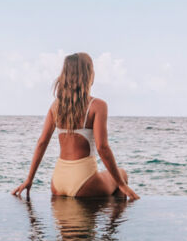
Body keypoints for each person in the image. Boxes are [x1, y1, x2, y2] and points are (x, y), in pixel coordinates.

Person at [12, 52, 139, 200]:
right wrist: (122, 184)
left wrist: (29, 179)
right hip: (84, 181)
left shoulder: (56, 106)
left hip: (58, 182)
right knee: (121, 174)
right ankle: (113, 219)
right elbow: (102, 147)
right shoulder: (97, 106)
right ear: (88, 74)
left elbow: (42, 142)